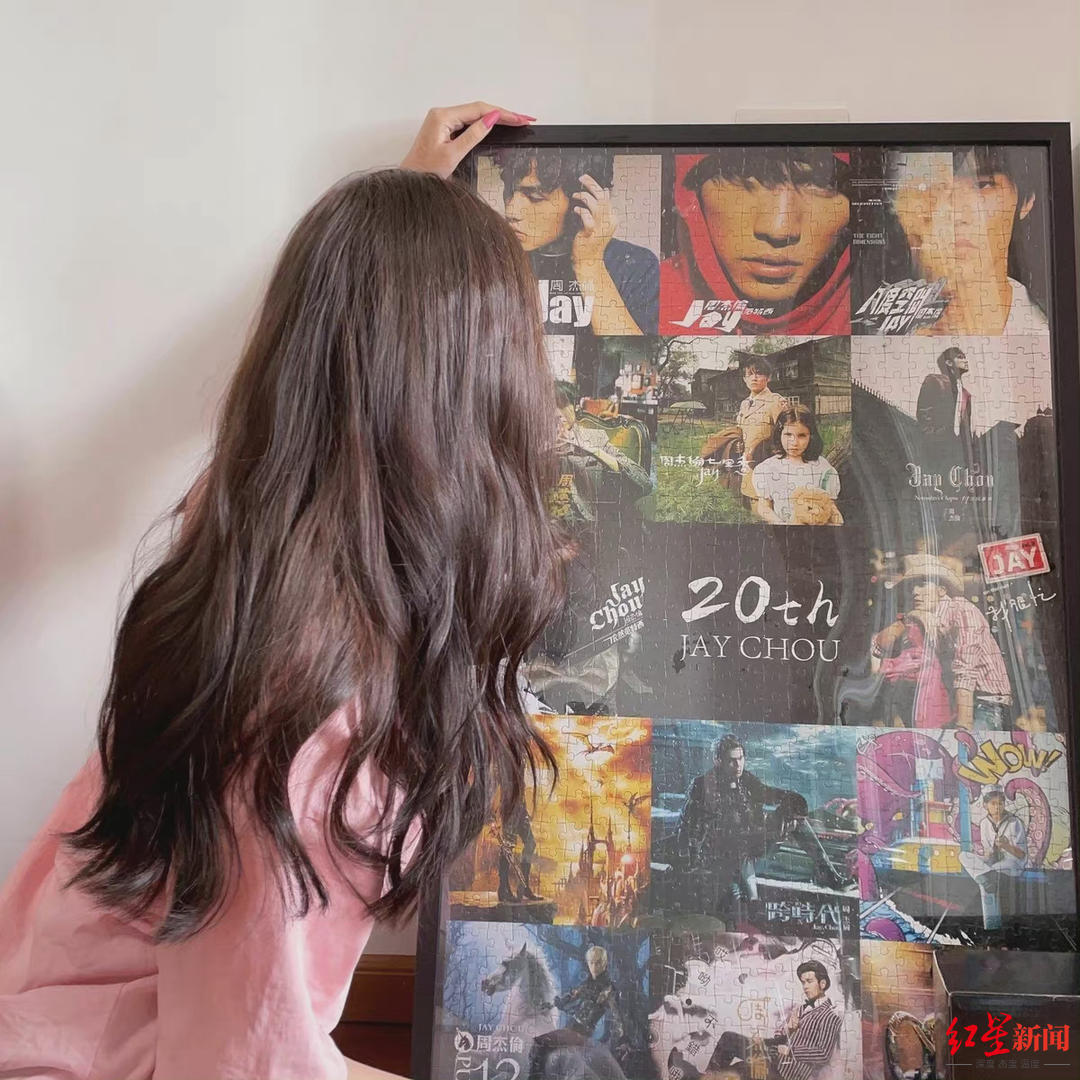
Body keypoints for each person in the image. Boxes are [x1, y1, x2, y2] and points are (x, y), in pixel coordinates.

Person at [0, 102, 570, 1080]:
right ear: (485, 393)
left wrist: (399, 216)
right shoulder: (303, 724)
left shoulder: (252, 543)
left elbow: (322, 402)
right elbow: (231, 1065)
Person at [660, 148, 851, 335]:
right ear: (692, 193)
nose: (778, 230)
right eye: (742, 176)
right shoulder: (648, 296)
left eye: (820, 182)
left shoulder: (863, 309)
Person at [492, 148, 660, 335]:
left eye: (535, 197)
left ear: (581, 202)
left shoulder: (637, 266)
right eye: (509, 190)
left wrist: (590, 264)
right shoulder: (494, 261)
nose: (511, 211)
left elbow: (632, 348)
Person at [676, 736, 849, 913]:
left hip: (753, 841)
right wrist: (689, 862)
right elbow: (686, 826)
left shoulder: (746, 779)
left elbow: (768, 793)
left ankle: (828, 874)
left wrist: (790, 801)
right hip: (724, 855)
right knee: (746, 893)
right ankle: (750, 902)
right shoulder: (702, 786)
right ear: (717, 760)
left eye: (741, 758)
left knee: (798, 821)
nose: (738, 765)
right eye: (732, 761)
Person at [887, 147, 1049, 335]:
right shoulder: (881, 328)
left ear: (1026, 201)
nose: (956, 215)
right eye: (937, 188)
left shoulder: (1045, 334)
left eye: (982, 185)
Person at [892, 555, 1012, 730]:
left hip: (985, 703)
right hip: (955, 702)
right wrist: (911, 617)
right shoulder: (926, 619)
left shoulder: (962, 610)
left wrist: (963, 728)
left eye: (923, 584)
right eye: (911, 586)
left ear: (941, 590)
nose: (915, 592)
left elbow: (965, 670)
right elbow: (881, 651)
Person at [712, 960, 843, 1080]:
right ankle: (707, 1076)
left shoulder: (830, 1016)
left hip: (787, 1073)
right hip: (773, 1056)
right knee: (728, 1039)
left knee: (738, 1070)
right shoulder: (801, 1008)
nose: (805, 986)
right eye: (803, 982)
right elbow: (782, 1038)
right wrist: (788, 1030)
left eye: (809, 981)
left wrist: (789, 1051)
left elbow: (823, 1054)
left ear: (822, 984)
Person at [529, 945, 628, 1080]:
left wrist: (622, 1040)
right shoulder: (588, 984)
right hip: (571, 1028)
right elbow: (571, 996)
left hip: (581, 1032)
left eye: (598, 963)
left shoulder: (609, 989)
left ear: (605, 964)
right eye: (591, 963)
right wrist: (551, 1004)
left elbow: (617, 1016)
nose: (594, 967)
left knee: (539, 1043)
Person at [701, 354, 790, 499]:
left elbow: (787, 435)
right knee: (747, 500)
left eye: (759, 373)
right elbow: (740, 431)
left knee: (766, 501)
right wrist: (737, 444)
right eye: (750, 374)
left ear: (768, 377)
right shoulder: (744, 404)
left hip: (767, 465)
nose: (754, 378)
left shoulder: (776, 401)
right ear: (744, 379)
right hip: (744, 466)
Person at [752, 405, 841, 525]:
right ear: (779, 434)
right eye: (788, 435)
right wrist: (781, 524)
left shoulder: (822, 467)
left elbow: (830, 506)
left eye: (802, 435)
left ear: (811, 436)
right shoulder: (767, 468)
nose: (794, 442)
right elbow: (764, 507)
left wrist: (837, 524)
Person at [958, 788, 1029, 930]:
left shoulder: (1014, 822)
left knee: (987, 882)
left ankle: (991, 925)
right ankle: (986, 877)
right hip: (993, 864)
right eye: (993, 803)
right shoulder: (984, 823)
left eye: (1000, 803)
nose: (997, 807)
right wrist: (986, 857)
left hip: (1012, 863)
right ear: (986, 805)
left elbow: (1022, 855)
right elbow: (987, 852)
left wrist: (1006, 846)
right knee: (963, 855)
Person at [915, 346, 974, 469]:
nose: (966, 360)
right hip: (935, 447)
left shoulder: (966, 394)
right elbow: (923, 413)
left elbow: (966, 427)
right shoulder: (935, 381)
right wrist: (932, 438)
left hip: (957, 452)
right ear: (949, 363)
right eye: (960, 357)